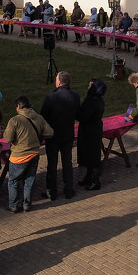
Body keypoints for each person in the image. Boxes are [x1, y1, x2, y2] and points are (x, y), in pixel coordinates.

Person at [2, 96, 53, 212]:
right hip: (34, 154)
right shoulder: (39, 118)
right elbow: (50, 132)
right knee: (29, 180)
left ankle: (13, 205)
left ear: (19, 106)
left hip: (18, 157)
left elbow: (8, 138)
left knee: (13, 181)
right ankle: (27, 205)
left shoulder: (15, 120)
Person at [40, 71, 81, 200]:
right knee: (67, 163)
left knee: (52, 164)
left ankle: (52, 191)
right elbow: (78, 115)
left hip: (52, 136)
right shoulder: (75, 96)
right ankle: (69, 189)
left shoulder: (51, 97)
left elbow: (43, 117)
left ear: (58, 82)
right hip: (67, 134)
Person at [76, 78, 107, 190]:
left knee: (93, 157)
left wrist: (76, 112)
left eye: (91, 85)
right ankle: (89, 177)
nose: (88, 87)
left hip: (90, 131)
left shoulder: (92, 100)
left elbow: (84, 116)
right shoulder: (99, 99)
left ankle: (95, 181)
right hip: (95, 129)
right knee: (91, 155)